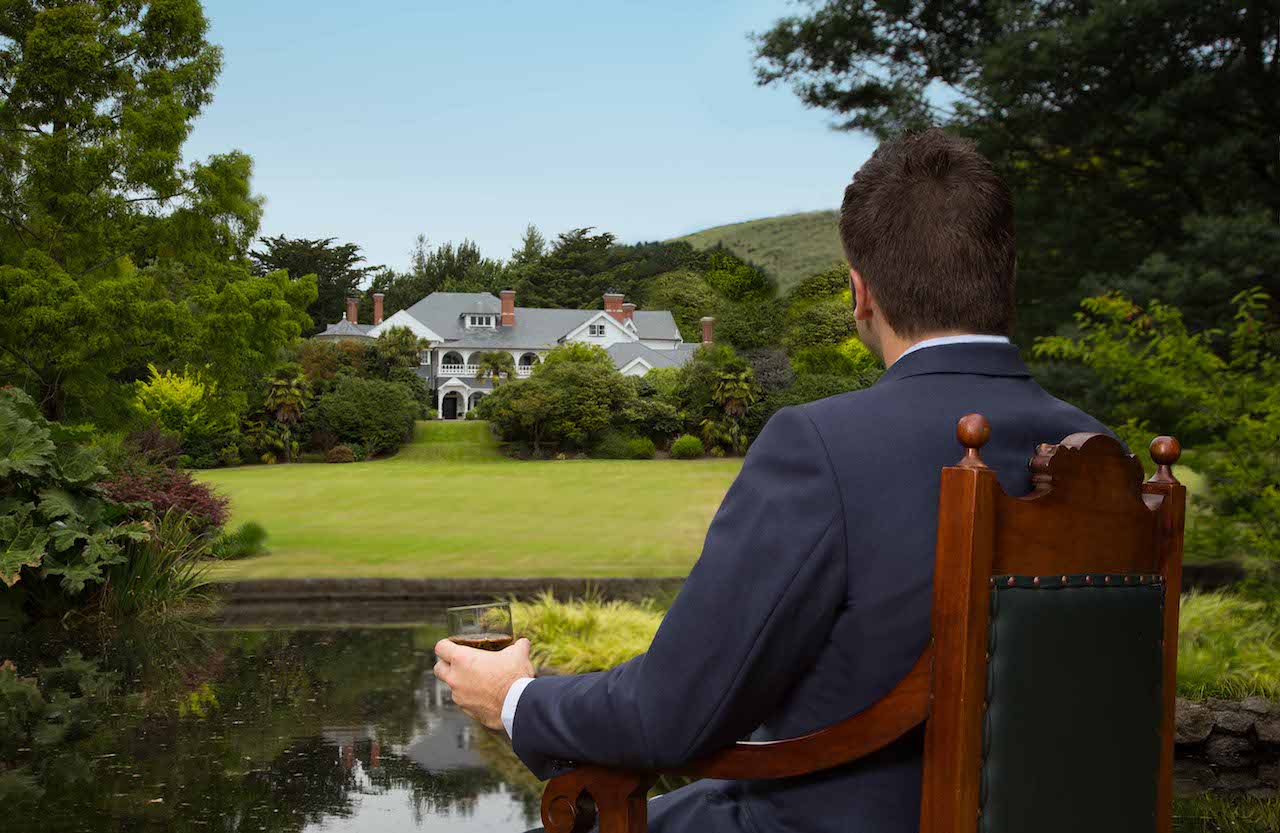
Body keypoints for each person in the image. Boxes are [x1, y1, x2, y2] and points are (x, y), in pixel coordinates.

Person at [432, 128, 1112, 833]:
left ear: (860, 294)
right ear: (1006, 277)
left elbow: (672, 712)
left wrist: (515, 698)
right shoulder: (1103, 457)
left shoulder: (824, 447)